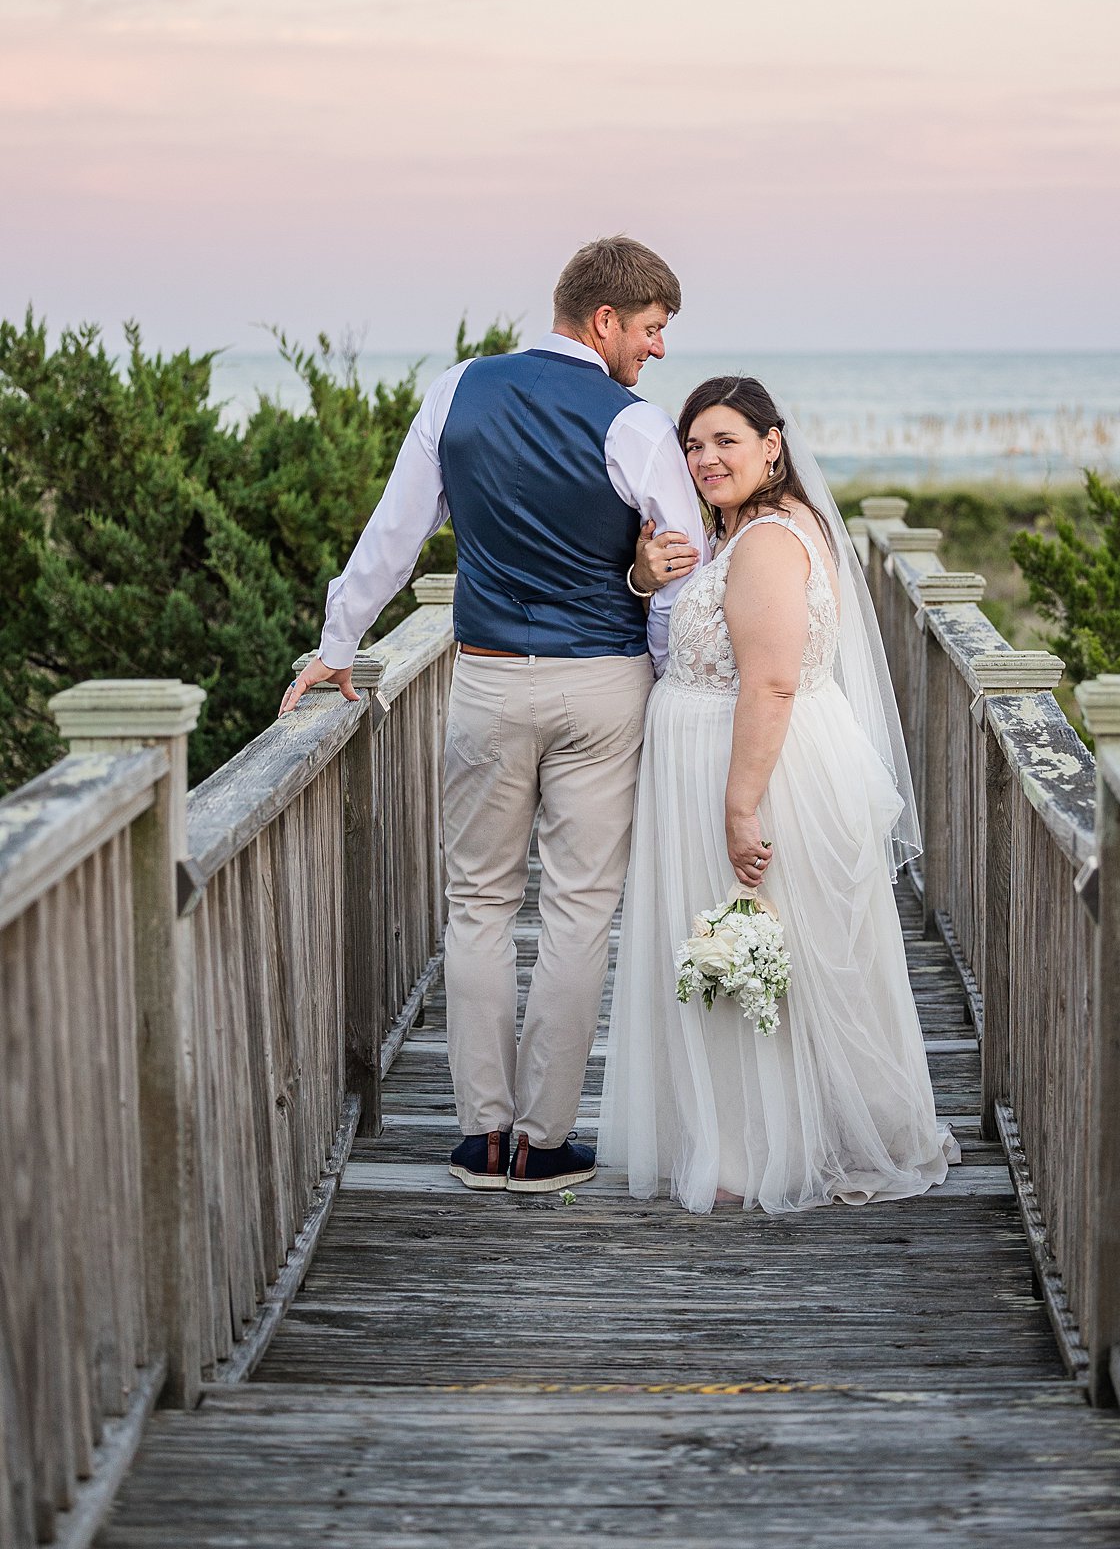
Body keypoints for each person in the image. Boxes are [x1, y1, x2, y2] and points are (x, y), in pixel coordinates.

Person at [281, 236, 705, 1194]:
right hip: (603, 685)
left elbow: (394, 535)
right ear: (604, 322)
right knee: (578, 909)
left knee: (476, 905)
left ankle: (481, 1137)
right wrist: (673, 677)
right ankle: (544, 1143)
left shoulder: (456, 390)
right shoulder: (633, 422)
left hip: (484, 680)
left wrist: (337, 646)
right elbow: (685, 573)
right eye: (650, 329)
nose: (657, 349)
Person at [600, 375, 959, 1213]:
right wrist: (644, 581)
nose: (704, 459)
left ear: (772, 444)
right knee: (758, 952)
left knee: (751, 947)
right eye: (692, 445)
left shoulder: (764, 541)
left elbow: (768, 685)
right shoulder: (750, 530)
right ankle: (755, 1136)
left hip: (756, 769)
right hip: (737, 761)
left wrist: (738, 805)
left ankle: (758, 1150)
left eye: (725, 440)